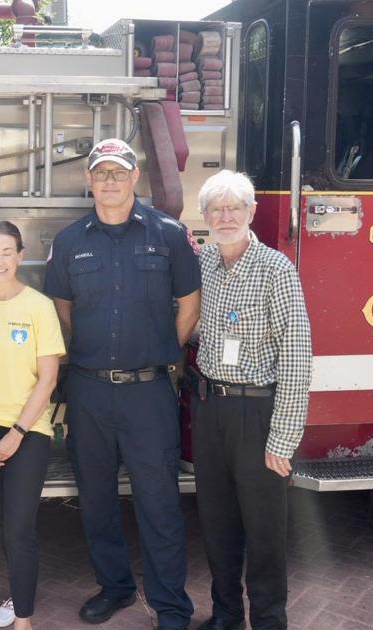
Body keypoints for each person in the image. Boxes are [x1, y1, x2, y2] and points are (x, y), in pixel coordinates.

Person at [44, 138, 201, 629]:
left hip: (148, 392)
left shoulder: (170, 235)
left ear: (135, 177)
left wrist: (156, 355)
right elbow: (62, 312)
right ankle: (114, 588)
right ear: (89, 180)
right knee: (96, 498)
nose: (109, 180)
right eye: (101, 172)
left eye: (119, 171)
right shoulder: (69, 242)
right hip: (88, 390)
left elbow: (189, 304)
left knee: (158, 501)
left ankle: (170, 605)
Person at [190, 170, 311, 630]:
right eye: (215, 209)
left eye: (233, 208)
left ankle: (268, 620)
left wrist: (282, 438)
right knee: (217, 523)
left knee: (263, 530)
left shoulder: (276, 269)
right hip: (210, 408)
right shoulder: (202, 263)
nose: (224, 217)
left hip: (256, 412)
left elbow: (297, 355)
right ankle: (225, 615)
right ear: (204, 217)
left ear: (251, 212)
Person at [0, 221, 65, 630]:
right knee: (4, 519)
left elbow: (49, 379)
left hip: (28, 432)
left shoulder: (39, 306)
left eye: (7, 252)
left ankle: (24, 618)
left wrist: (17, 434)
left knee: (20, 526)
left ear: (21, 256)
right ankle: (17, 590)